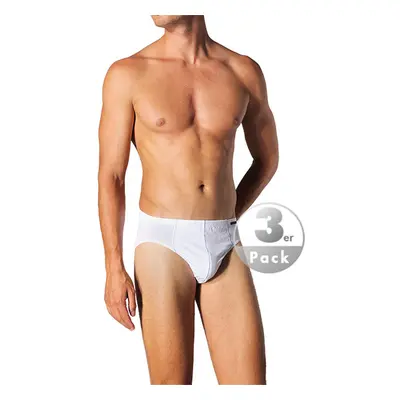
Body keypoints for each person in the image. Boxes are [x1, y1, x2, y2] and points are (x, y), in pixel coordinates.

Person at [98, 15, 278, 385]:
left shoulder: (243, 71)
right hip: (163, 244)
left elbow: (267, 159)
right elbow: (111, 175)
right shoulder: (128, 74)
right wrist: (113, 266)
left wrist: (227, 215)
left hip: (226, 242)